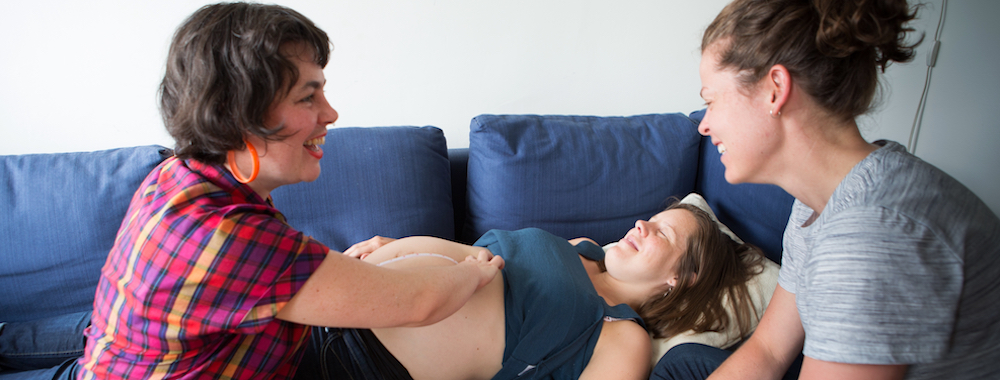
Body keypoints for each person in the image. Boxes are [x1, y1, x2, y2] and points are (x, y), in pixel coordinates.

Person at [62, 3, 504, 380]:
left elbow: (242, 287)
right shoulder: (222, 232)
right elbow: (420, 302)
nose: (330, 114)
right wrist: (475, 268)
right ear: (237, 114)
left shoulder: (184, 175)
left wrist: (327, 276)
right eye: (307, 98)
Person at [652, 0, 1000, 379]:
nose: (704, 124)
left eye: (712, 100)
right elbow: (768, 351)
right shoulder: (820, 202)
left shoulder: (867, 237)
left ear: (775, 90)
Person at [293, 200, 769, 380]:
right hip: (340, 293)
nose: (642, 223)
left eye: (661, 233)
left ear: (682, 278)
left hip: (361, 364)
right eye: (653, 218)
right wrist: (397, 249)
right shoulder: (582, 248)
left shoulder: (625, 338)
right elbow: (486, 259)